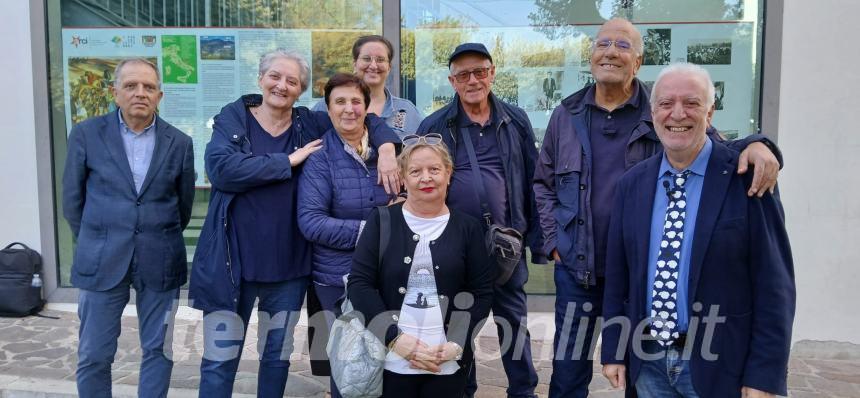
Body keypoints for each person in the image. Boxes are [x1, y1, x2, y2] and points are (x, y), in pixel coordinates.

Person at [532, 18, 783, 397]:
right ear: (591, 54)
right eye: (603, 43)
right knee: (567, 375)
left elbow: (712, 144)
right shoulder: (565, 115)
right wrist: (556, 242)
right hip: (577, 269)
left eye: (623, 45)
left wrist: (760, 143)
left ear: (638, 61)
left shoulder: (662, 106)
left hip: (636, 272)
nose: (611, 52)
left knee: (647, 369)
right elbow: (543, 183)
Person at [188, 50, 400, 398]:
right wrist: (287, 161)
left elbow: (358, 117)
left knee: (276, 357)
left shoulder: (308, 123)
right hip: (232, 265)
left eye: (292, 81)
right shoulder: (233, 120)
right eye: (275, 76)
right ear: (260, 79)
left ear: (301, 89)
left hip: (287, 267)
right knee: (220, 358)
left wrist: (389, 147)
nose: (281, 86)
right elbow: (221, 171)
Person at [600, 63, 795, 398]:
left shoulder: (747, 179)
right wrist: (614, 350)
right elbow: (618, 276)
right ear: (652, 113)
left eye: (691, 103)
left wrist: (765, 374)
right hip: (648, 364)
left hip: (721, 367)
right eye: (665, 104)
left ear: (710, 112)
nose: (678, 114)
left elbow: (774, 286)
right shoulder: (631, 184)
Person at [416, 42, 546, 398]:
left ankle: (523, 391)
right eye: (463, 74)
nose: (472, 79)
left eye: (479, 71)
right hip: (455, 246)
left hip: (507, 243)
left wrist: (536, 237)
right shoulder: (436, 124)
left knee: (513, 323)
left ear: (491, 74)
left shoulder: (515, 118)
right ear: (452, 81)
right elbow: (422, 182)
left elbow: (535, 179)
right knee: (460, 324)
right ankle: (463, 389)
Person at [62, 57, 195, 398]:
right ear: (114, 92)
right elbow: (72, 201)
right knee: (94, 353)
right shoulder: (86, 135)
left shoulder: (179, 142)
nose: (140, 93)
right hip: (102, 258)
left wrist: (155, 233)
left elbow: (183, 205)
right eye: (131, 86)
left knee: (158, 351)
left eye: (149, 87)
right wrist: (99, 237)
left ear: (159, 96)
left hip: (160, 257)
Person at [347, 140, 494, 397]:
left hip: (446, 363)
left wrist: (456, 344)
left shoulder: (468, 228)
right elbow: (360, 285)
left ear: (449, 173)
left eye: (435, 170)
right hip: (390, 361)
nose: (426, 178)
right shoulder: (381, 222)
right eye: (415, 172)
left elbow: (481, 291)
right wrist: (393, 338)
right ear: (403, 178)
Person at [297, 73, 397, 398]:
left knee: (391, 360)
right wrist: (373, 230)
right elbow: (311, 222)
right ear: (328, 109)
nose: (348, 109)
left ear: (367, 108)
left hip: (386, 274)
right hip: (337, 279)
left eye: (356, 101)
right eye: (339, 101)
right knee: (350, 369)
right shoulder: (320, 158)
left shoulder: (388, 154)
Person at [313, 35, 422, 138]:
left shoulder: (406, 110)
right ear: (355, 64)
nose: (373, 66)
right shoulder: (326, 106)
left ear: (389, 67)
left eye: (380, 60)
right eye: (366, 59)